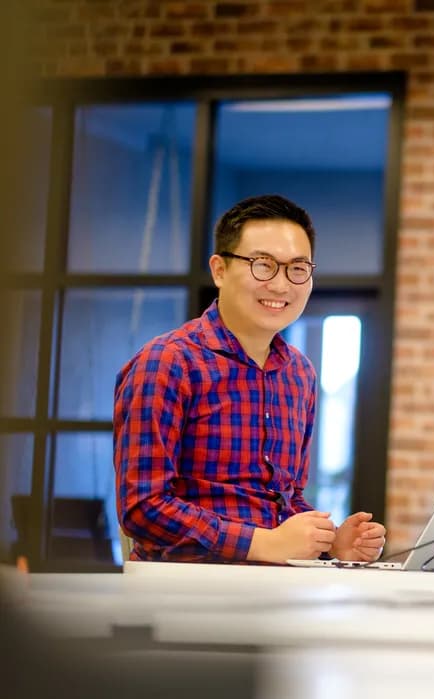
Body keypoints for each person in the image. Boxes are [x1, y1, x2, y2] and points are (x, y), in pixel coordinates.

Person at [113, 194, 386, 564]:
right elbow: (143, 507)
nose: (281, 285)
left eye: (297, 268)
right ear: (219, 270)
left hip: (276, 583)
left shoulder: (299, 373)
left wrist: (329, 542)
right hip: (184, 585)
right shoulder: (168, 362)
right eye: (263, 265)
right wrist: (261, 544)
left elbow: (286, 498)